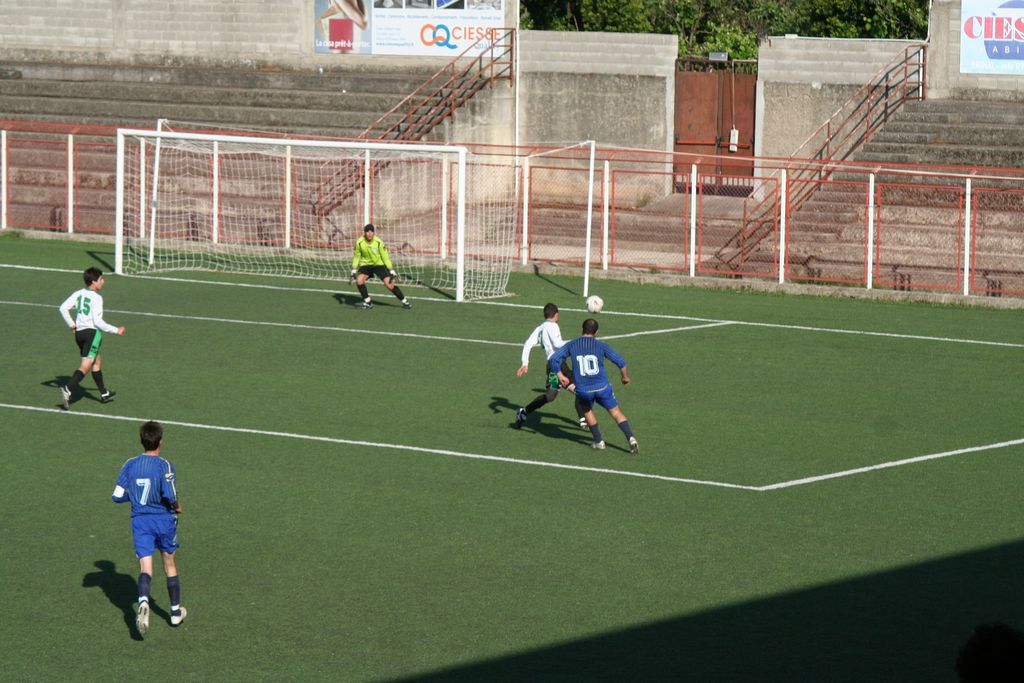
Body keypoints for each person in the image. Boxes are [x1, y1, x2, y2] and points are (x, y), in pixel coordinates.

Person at [112, 421, 186, 637]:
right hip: (163, 520)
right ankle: (175, 612)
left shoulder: (130, 464)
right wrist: (178, 507)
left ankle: (143, 601)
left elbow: (117, 496)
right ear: (161, 441)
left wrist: (134, 498)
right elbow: (170, 495)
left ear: (141, 441)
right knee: (169, 563)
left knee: (145, 567)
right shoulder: (165, 465)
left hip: (140, 521)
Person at [548, 318, 639, 454]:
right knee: (615, 412)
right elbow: (621, 362)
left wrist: (560, 375)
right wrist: (625, 377)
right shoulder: (601, 345)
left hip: (584, 390)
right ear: (596, 332)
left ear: (582, 329)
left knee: (587, 411)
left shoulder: (572, 345)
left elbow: (554, 359)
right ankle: (631, 438)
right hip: (602, 387)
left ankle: (599, 441)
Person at [58, 267, 125, 410]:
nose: (103, 281)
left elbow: (63, 308)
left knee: (96, 360)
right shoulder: (97, 298)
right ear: (94, 282)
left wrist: (72, 324)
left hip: (79, 334)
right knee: (86, 365)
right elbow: (98, 322)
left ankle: (104, 393)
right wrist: (116, 330)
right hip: (92, 334)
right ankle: (68, 389)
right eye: (101, 279)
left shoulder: (78, 293)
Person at [514, 303, 586, 430]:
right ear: (556, 314)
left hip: (551, 365)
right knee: (580, 390)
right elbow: (558, 344)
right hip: (559, 365)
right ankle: (584, 420)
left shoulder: (540, 328)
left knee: (550, 396)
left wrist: (525, 363)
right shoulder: (553, 326)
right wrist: (576, 342)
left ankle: (524, 412)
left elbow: (528, 343)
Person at [350, 223, 412, 310]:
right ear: (364, 233)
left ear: (374, 232)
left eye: (371, 231)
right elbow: (357, 256)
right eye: (367, 231)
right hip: (366, 265)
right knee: (359, 280)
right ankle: (368, 302)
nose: (369, 233)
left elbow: (385, 257)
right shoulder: (359, 242)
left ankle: (405, 301)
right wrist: (354, 269)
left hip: (379, 264)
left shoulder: (379, 242)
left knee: (389, 284)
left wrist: (391, 269)